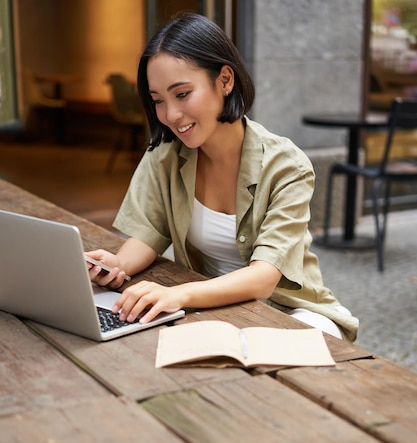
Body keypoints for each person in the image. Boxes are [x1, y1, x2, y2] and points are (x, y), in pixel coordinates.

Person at [87, 13, 358, 342]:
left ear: (225, 80)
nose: (171, 114)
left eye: (182, 94)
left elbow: (263, 278)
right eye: (158, 100)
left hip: (291, 312)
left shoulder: (286, 165)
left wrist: (179, 295)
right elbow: (149, 233)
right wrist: (117, 265)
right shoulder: (164, 156)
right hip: (216, 312)